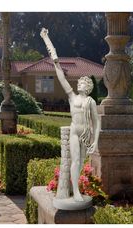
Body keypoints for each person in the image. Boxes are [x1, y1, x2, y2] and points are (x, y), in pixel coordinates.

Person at [41, 28, 100, 201]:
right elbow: (62, 79)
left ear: (88, 87)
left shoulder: (91, 102)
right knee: (75, 161)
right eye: (80, 82)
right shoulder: (72, 97)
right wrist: (56, 64)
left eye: (83, 82)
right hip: (75, 132)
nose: (80, 83)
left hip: (86, 135)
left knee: (81, 163)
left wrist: (95, 141)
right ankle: (76, 191)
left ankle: (76, 190)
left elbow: (97, 124)